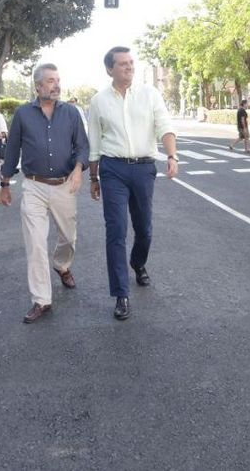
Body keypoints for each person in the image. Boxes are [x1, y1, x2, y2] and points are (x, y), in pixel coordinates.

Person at [87, 46, 178, 321]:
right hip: (112, 169)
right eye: (123, 64)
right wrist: (94, 177)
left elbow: (164, 125)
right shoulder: (98, 101)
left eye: (131, 62)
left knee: (144, 229)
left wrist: (172, 156)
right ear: (109, 69)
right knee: (116, 231)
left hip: (143, 169)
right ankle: (121, 294)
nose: (129, 67)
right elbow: (94, 143)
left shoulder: (150, 94)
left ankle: (138, 263)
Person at [0, 64, 89, 324]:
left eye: (58, 80)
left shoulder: (71, 113)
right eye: (50, 81)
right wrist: (4, 184)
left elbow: (82, 146)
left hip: (64, 185)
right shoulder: (23, 114)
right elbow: (13, 150)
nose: (56, 85)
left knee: (69, 237)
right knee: (36, 243)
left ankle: (61, 265)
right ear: (38, 87)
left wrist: (79, 169)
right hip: (34, 186)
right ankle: (41, 300)